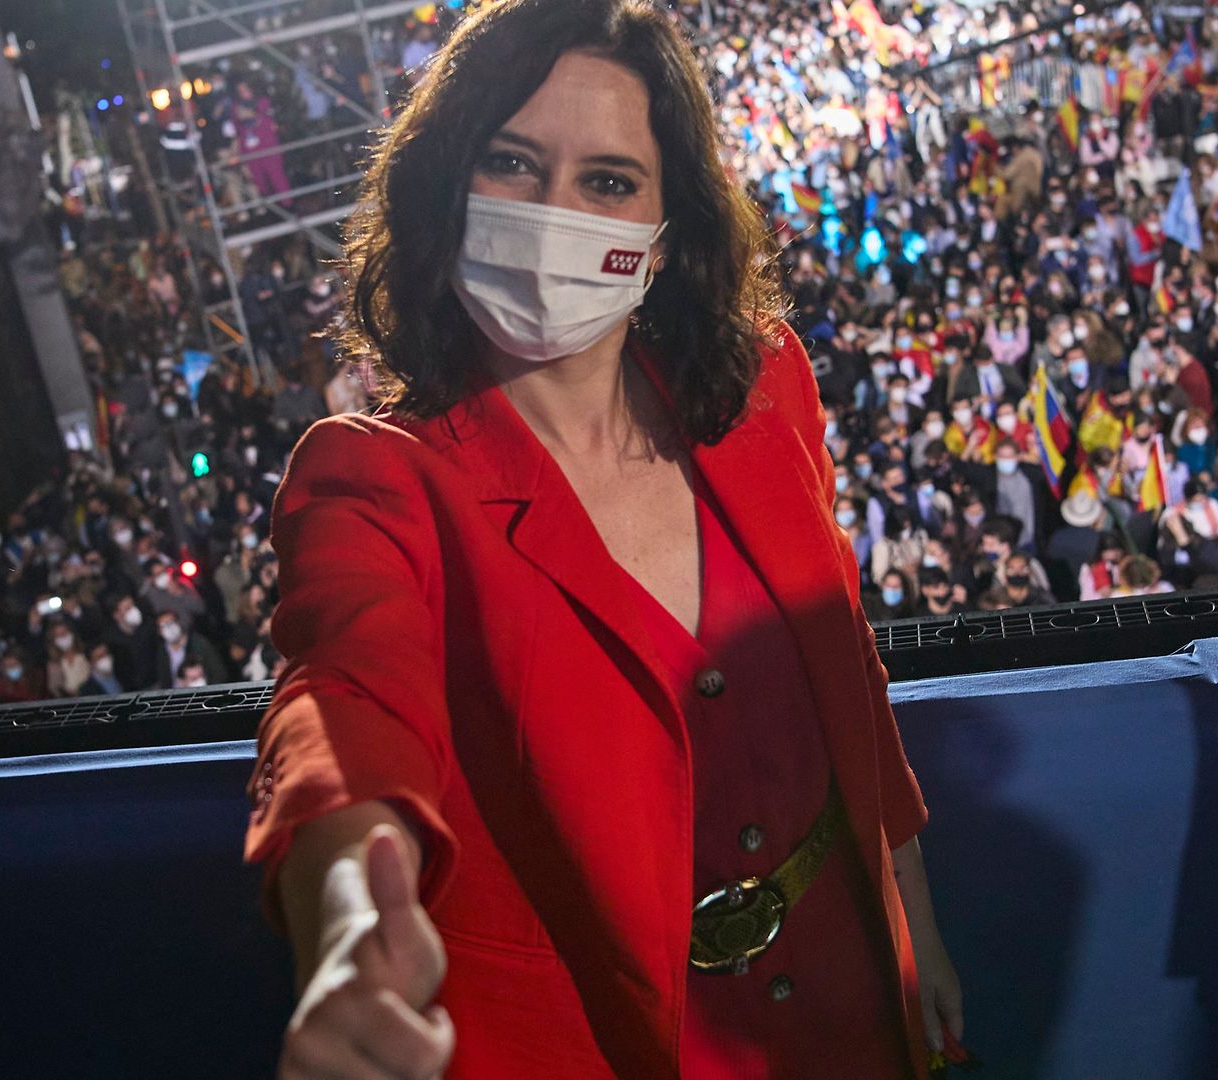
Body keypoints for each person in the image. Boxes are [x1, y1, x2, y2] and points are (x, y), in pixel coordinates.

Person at [249, 5, 959, 1077]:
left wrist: (916, 924)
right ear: (448, 186)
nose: (554, 214)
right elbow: (342, 707)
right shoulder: (375, 478)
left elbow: (845, 667)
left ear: (670, 231)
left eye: (609, 182)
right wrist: (349, 922)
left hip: (856, 998)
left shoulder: (765, 390)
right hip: (608, 1043)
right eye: (514, 164)